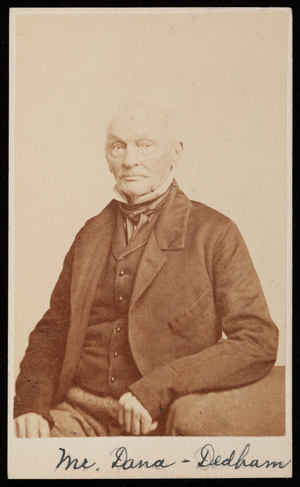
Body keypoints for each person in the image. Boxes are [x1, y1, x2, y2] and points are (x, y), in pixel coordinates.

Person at [14, 104, 279, 438]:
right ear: (106, 156)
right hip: (77, 413)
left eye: (146, 144)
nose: (129, 160)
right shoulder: (90, 234)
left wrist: (160, 389)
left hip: (162, 418)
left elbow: (257, 341)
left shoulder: (214, 233)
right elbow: (53, 330)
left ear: (175, 153)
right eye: (117, 146)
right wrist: (30, 404)